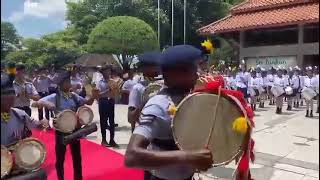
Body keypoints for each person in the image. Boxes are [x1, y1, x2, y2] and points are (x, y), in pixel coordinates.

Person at [125, 45, 213, 180]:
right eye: (193, 69)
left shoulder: (185, 98)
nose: (198, 74)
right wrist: (188, 156)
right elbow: (131, 156)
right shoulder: (158, 105)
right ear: (176, 74)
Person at [32, 70, 98, 180]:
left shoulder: (74, 96)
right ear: (61, 84)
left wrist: (94, 96)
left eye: (69, 81)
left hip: (74, 130)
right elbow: (35, 103)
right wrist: (45, 103)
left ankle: (78, 178)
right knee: (60, 159)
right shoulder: (54, 97)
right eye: (67, 81)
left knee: (77, 158)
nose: (69, 83)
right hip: (61, 132)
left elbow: (89, 103)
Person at [127, 51, 162, 133]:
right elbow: (130, 118)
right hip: (145, 132)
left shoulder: (164, 84)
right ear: (143, 69)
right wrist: (145, 101)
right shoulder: (138, 88)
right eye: (153, 66)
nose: (158, 69)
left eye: (158, 66)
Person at [97, 65, 119, 148]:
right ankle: (103, 140)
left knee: (112, 122)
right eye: (106, 71)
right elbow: (98, 94)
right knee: (103, 121)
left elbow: (116, 93)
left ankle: (112, 140)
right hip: (103, 101)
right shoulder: (100, 82)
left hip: (111, 101)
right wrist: (108, 90)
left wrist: (115, 91)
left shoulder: (113, 81)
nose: (108, 72)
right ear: (103, 72)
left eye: (109, 71)